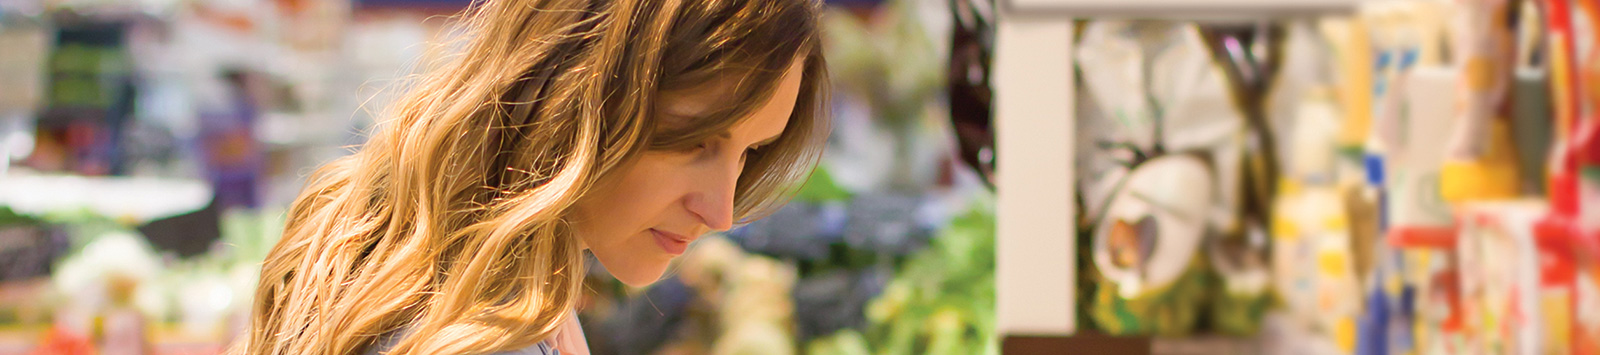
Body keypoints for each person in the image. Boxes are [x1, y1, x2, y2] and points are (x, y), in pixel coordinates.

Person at [228, 0, 828, 353]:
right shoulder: (484, 334)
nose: (720, 211)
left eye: (751, 153)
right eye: (693, 140)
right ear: (567, 92)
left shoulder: (383, 237)